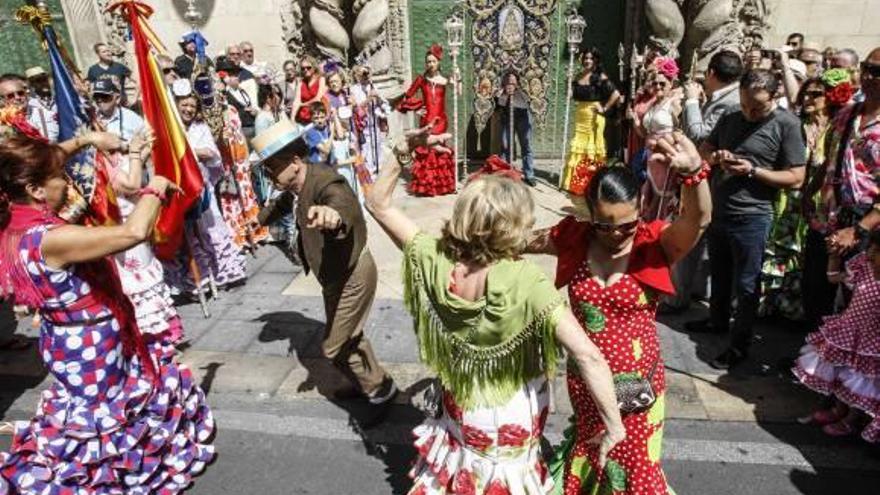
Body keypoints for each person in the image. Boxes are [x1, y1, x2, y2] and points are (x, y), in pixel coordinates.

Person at [366, 125, 624, 494]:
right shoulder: (526, 282)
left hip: (460, 403)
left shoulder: (434, 257)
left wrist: (403, 148)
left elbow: (378, 203)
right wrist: (614, 424)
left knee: (463, 477)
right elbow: (588, 356)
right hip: (510, 420)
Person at [0, 136, 214, 492]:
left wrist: (85, 140)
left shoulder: (13, 225)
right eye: (59, 177)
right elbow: (133, 232)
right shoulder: (49, 238)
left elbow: (48, 160)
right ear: (36, 189)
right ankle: (99, 478)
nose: (66, 183)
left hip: (66, 338)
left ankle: (117, 466)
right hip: (91, 344)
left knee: (107, 405)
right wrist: (157, 186)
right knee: (103, 416)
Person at [527, 132, 711, 495]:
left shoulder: (654, 244)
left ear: (641, 204)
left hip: (638, 389)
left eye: (627, 224)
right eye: (604, 225)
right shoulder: (572, 238)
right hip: (586, 384)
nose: (617, 234)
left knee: (637, 470)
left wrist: (695, 175)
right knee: (595, 458)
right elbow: (514, 239)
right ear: (589, 213)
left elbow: (699, 219)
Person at [253, 119, 398, 417]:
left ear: (294, 162)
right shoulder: (297, 182)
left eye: (272, 168)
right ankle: (368, 382)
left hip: (352, 274)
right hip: (334, 275)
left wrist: (333, 216)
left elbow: (341, 204)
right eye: (266, 170)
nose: (269, 175)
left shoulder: (326, 181)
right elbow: (284, 202)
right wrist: (261, 219)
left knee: (335, 346)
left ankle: (380, 392)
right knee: (350, 336)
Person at [688, 69, 807, 370]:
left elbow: (796, 176)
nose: (750, 113)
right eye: (745, 105)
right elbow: (705, 149)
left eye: (759, 108)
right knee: (721, 272)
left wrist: (753, 171)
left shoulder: (787, 124)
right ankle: (717, 322)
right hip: (720, 210)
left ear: (775, 96)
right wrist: (715, 159)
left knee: (747, 284)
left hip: (753, 216)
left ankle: (739, 344)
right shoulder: (730, 116)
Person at [804, 48, 880, 328]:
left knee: (854, 300)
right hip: (828, 215)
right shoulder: (846, 114)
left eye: (878, 72)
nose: (870, 76)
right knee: (814, 291)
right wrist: (808, 193)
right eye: (867, 68)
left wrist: (859, 229)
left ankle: (843, 366)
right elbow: (830, 159)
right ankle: (812, 360)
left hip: (866, 223)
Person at [663, 50, 743, 314]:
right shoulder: (727, 96)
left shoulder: (728, 101)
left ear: (711, 73)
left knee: (690, 229)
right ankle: (697, 289)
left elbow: (700, 136)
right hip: (711, 177)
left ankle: (676, 296)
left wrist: (691, 102)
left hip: (709, 179)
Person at [793, 228, 880, 441]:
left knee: (860, 380)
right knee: (842, 373)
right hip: (847, 332)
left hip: (871, 341)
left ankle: (851, 419)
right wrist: (833, 256)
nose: (868, 254)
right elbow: (833, 278)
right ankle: (838, 410)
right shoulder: (863, 268)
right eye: (869, 248)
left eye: (876, 251)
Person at [163, 92, 248, 294]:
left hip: (202, 191)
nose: (189, 109)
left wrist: (186, 152)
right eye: (185, 105)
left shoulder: (200, 128)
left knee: (211, 231)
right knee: (187, 238)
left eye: (193, 106)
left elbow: (212, 155)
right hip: (177, 193)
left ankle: (224, 274)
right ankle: (196, 279)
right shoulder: (169, 129)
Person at [215, 83, 271, 251]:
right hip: (227, 161)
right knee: (232, 199)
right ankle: (239, 236)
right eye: (218, 93)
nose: (222, 96)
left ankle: (254, 232)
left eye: (224, 92)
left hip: (240, 159)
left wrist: (246, 157)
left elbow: (239, 132)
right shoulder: (214, 115)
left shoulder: (231, 109)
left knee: (247, 195)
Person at [398, 44, 457, 197]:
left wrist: (458, 77)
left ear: (439, 62)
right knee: (427, 149)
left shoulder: (445, 79)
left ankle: (442, 186)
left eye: (433, 61)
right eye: (428, 61)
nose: (431, 64)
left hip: (441, 120)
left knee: (438, 148)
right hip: (426, 120)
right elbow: (408, 95)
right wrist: (416, 108)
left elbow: (459, 92)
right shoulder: (421, 79)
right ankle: (427, 186)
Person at [561, 47, 621, 197]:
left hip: (594, 116)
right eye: (586, 58)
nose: (588, 61)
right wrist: (567, 83)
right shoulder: (578, 76)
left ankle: (591, 183)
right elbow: (570, 96)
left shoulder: (600, 76)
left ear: (595, 61)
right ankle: (575, 183)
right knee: (578, 147)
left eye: (591, 58)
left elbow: (616, 94)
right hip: (580, 115)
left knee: (592, 148)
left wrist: (604, 107)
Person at [638, 58, 683, 222]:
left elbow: (681, 132)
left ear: (671, 84)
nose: (658, 87)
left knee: (662, 198)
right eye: (655, 83)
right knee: (648, 196)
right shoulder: (654, 104)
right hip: (650, 158)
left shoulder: (674, 104)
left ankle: (659, 233)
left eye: (662, 84)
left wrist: (661, 145)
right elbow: (645, 131)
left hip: (664, 157)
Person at [497, 70, 536, 186]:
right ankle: (505, 173)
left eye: (513, 80)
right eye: (508, 80)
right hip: (506, 114)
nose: (510, 82)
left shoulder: (523, 89)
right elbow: (498, 102)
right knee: (505, 145)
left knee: (526, 144)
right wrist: (505, 92)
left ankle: (529, 174)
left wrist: (517, 90)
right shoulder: (501, 90)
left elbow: (529, 99)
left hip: (522, 115)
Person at [350, 65, 389, 177]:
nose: (365, 76)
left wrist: (379, 98)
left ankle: (379, 171)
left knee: (378, 147)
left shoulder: (373, 87)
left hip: (374, 124)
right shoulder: (354, 89)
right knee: (366, 150)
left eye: (367, 73)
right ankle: (369, 174)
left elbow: (384, 106)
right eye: (362, 74)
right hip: (362, 126)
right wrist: (368, 100)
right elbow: (355, 108)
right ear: (357, 75)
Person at [93, 79, 144, 145]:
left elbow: (148, 142)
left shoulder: (132, 118)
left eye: (104, 96)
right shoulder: (91, 119)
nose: (99, 100)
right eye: (96, 97)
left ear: (117, 98)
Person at [218, 59, 258, 139]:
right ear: (225, 77)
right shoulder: (224, 94)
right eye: (233, 74)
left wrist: (253, 111)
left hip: (252, 127)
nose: (237, 77)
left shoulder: (241, 90)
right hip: (239, 132)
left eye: (236, 74)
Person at [24, 67, 59, 143]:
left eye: (44, 79)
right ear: (32, 85)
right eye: (38, 81)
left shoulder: (59, 98)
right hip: (44, 147)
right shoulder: (29, 104)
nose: (43, 83)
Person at [292, 55, 326, 125]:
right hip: (303, 118)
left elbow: (318, 99)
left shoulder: (321, 79)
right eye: (303, 68)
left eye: (308, 67)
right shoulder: (301, 83)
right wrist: (292, 119)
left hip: (317, 118)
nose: (305, 70)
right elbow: (296, 101)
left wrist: (302, 104)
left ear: (314, 67)